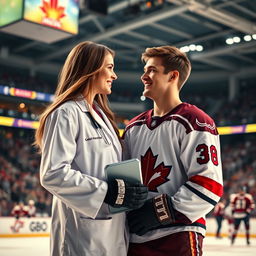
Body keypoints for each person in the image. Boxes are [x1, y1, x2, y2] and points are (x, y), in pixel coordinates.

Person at [34, 41, 148, 256]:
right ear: (90, 68)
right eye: (110, 67)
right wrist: (107, 192)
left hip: (111, 230)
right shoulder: (65, 113)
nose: (114, 76)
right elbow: (53, 174)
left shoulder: (101, 116)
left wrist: (130, 192)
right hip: (82, 233)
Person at [122, 45, 223, 256]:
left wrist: (160, 212)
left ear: (173, 76)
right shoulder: (133, 127)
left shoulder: (196, 121)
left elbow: (209, 185)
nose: (144, 76)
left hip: (178, 236)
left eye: (152, 70)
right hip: (134, 237)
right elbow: (123, 177)